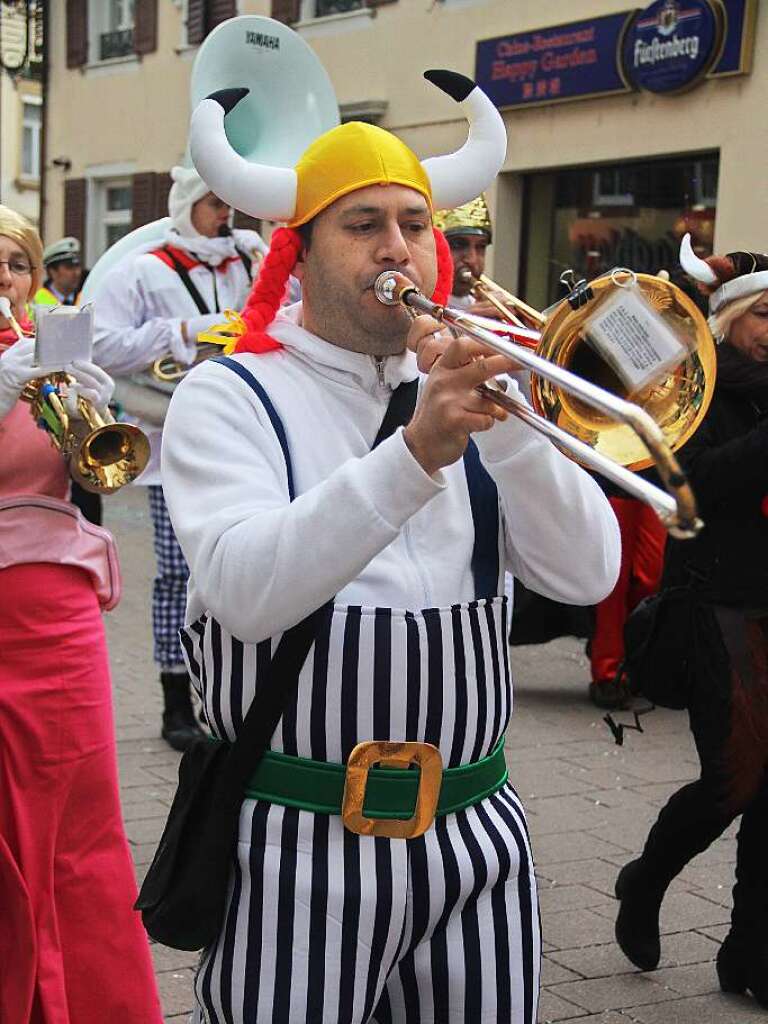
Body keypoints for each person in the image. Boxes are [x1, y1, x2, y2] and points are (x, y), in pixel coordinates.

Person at [162, 71, 620, 1023]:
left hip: (477, 832)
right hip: (297, 837)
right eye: (362, 223)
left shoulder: (478, 386)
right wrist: (415, 451)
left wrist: (510, 435)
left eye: (415, 223)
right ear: (301, 250)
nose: (397, 248)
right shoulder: (230, 395)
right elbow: (246, 593)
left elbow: (588, 574)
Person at [0, 205, 162, 1023]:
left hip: (57, 615)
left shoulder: (51, 358)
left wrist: (86, 411)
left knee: (79, 829)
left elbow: (104, 485)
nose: (5, 281)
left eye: (17, 266)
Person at [613, 239, 768, 1007]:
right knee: (734, 779)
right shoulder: (690, 386)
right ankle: (645, 881)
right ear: (732, 316)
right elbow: (694, 488)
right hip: (717, 604)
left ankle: (751, 953)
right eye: (766, 313)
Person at [92, 165, 269, 751]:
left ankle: (235, 692)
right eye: (215, 203)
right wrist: (188, 330)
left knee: (246, 566)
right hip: (171, 442)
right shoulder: (145, 269)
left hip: (247, 439)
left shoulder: (252, 257)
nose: (227, 214)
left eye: (231, 204)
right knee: (175, 576)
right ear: (188, 202)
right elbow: (103, 345)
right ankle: (175, 700)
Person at [34, 235, 82, 307]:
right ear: (53, 272)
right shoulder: (36, 301)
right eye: (69, 267)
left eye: (77, 266)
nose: (76, 273)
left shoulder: (84, 298)